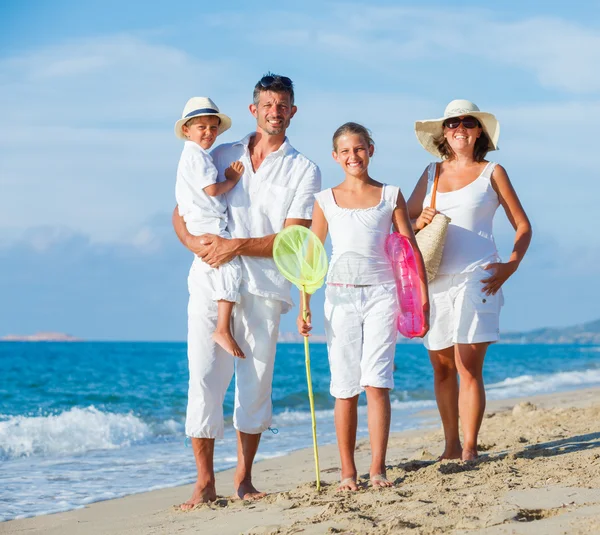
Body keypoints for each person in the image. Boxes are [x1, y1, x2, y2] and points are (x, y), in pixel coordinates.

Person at [172, 74, 321, 507]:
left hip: (264, 288)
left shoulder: (304, 169)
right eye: (267, 104)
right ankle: (204, 483)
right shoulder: (219, 153)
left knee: (255, 384)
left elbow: (293, 239)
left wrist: (234, 245)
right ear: (254, 109)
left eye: (283, 105)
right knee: (202, 378)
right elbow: (182, 209)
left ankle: (244, 479)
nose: (275, 111)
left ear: (293, 112)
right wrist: (194, 243)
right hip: (209, 280)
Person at [298, 122, 429, 491]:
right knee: (344, 386)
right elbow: (311, 255)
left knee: (377, 382)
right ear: (335, 157)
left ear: (371, 149)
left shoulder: (391, 194)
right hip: (338, 297)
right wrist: (304, 304)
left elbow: (409, 247)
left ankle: (377, 469)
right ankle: (347, 473)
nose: (353, 156)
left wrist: (421, 298)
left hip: (383, 295)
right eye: (345, 151)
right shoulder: (325, 200)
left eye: (359, 149)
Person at [407, 99, 532, 461]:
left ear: (479, 130)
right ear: (443, 133)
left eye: (466, 122)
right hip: (434, 279)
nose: (458, 128)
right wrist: (419, 221)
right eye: (451, 123)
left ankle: (470, 447)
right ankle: (450, 446)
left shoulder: (492, 172)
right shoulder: (431, 173)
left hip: (479, 278)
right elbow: (406, 221)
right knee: (442, 367)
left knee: (467, 364)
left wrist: (511, 265)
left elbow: (522, 225)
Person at [174, 96, 245, 358]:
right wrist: (232, 180)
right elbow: (213, 189)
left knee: (216, 270)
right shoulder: (200, 158)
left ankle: (221, 327)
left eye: (213, 128)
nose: (208, 133)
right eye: (201, 127)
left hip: (195, 220)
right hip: (207, 223)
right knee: (231, 267)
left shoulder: (189, 157)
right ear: (187, 130)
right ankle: (222, 328)